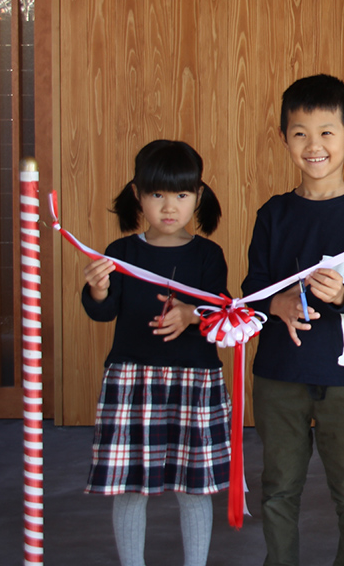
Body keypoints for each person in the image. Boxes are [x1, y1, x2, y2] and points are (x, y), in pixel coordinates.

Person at [243, 74, 344, 566]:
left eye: (327, 132)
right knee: (278, 489)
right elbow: (250, 293)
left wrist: (343, 294)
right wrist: (275, 305)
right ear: (283, 138)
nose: (314, 145)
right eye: (300, 133)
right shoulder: (273, 214)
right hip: (278, 375)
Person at [81, 139, 230, 566]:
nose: (169, 206)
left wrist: (191, 314)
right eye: (157, 194)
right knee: (131, 485)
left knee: (193, 486)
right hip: (131, 381)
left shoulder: (208, 255)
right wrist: (98, 287)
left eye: (181, 195)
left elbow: (223, 316)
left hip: (195, 380)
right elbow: (104, 311)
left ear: (198, 196)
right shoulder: (121, 254)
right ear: (137, 195)